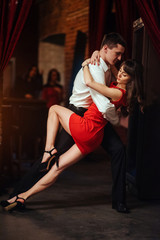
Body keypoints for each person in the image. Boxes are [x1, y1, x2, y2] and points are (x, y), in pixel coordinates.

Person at [2, 33, 129, 213]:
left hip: (96, 117)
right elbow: (101, 101)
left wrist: (95, 54)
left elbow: (114, 85)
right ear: (106, 49)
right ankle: (18, 193)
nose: (119, 58)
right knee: (51, 159)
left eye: (121, 55)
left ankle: (119, 201)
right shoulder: (95, 67)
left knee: (118, 150)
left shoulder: (108, 65)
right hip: (80, 113)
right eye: (117, 53)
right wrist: (117, 120)